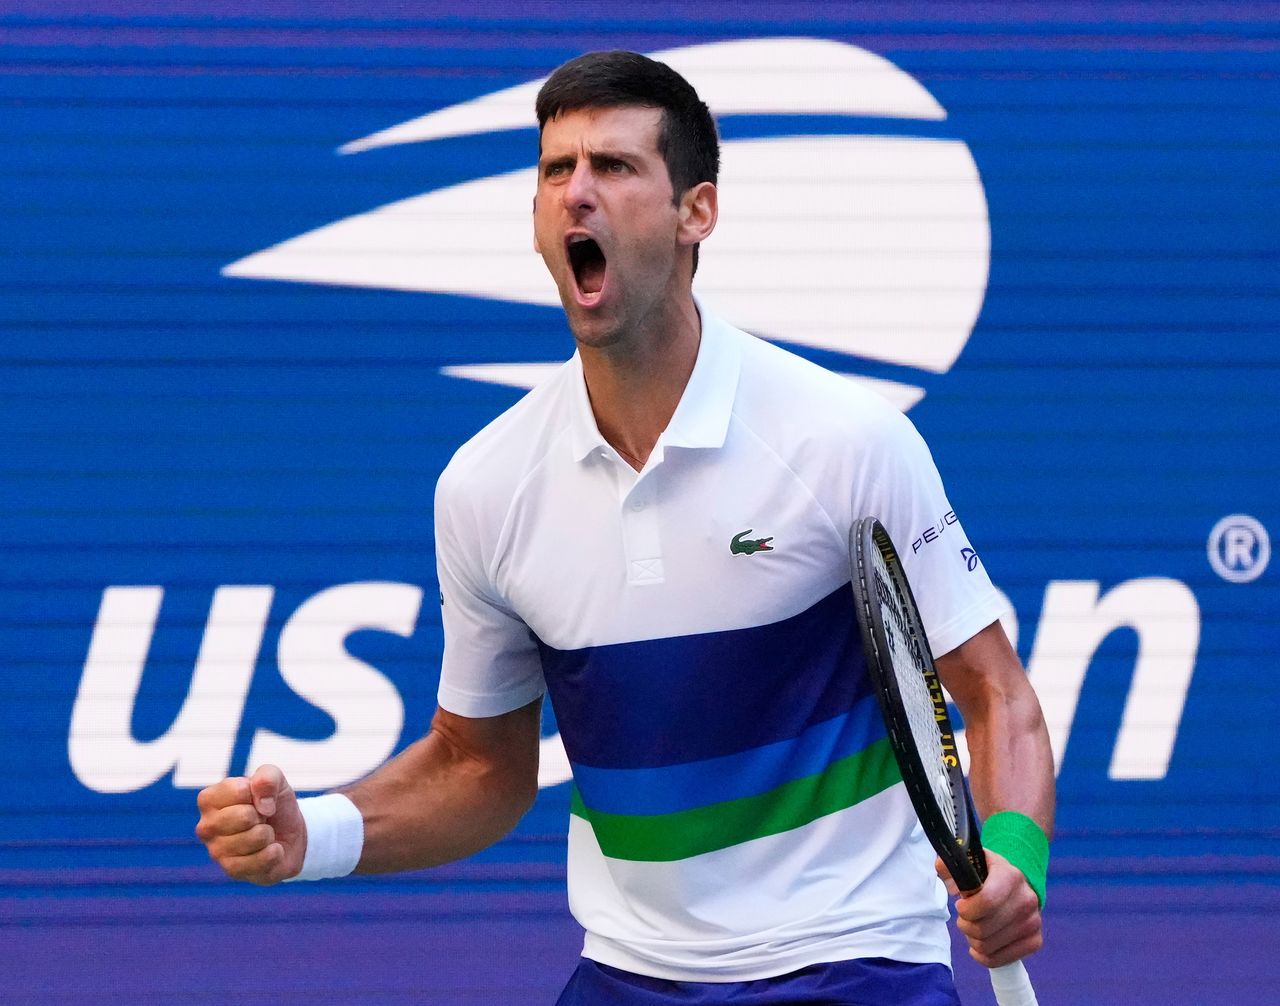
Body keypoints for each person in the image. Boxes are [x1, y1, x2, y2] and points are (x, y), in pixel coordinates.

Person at [196, 50, 1054, 1004]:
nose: (576, 194)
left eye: (613, 166)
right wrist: (316, 836)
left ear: (697, 212)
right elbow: (479, 766)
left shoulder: (846, 442)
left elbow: (996, 697)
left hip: (850, 962)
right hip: (631, 977)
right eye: (555, 171)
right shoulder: (486, 487)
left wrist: (1014, 854)